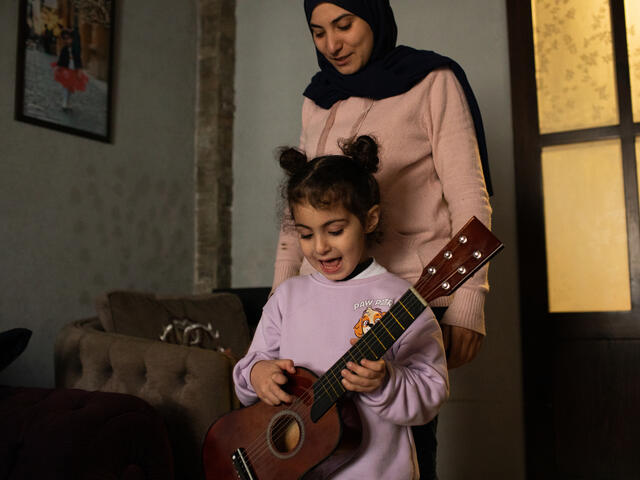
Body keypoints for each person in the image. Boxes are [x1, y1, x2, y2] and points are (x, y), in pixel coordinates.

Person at [271, 1, 493, 478]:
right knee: (316, 453)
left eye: (344, 25)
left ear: (373, 15)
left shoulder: (432, 80)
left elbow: (470, 197)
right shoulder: (317, 99)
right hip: (320, 298)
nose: (332, 44)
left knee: (402, 452)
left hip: (414, 296)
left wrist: (470, 300)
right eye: (318, 32)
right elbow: (300, 213)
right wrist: (278, 302)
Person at [234, 135, 448, 479]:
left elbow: (431, 392)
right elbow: (250, 370)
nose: (320, 247)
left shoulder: (400, 300)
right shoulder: (287, 297)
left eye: (334, 230)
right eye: (305, 234)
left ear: (370, 219)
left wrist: (386, 382)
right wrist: (257, 375)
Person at [50, 28, 88, 111]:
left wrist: (79, 69)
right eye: (65, 39)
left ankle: (67, 102)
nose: (67, 41)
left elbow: (78, 59)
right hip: (66, 69)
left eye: (69, 38)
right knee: (66, 86)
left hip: (73, 70)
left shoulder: (76, 48)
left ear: (72, 39)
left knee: (71, 87)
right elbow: (61, 59)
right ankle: (64, 102)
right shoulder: (64, 49)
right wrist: (58, 67)